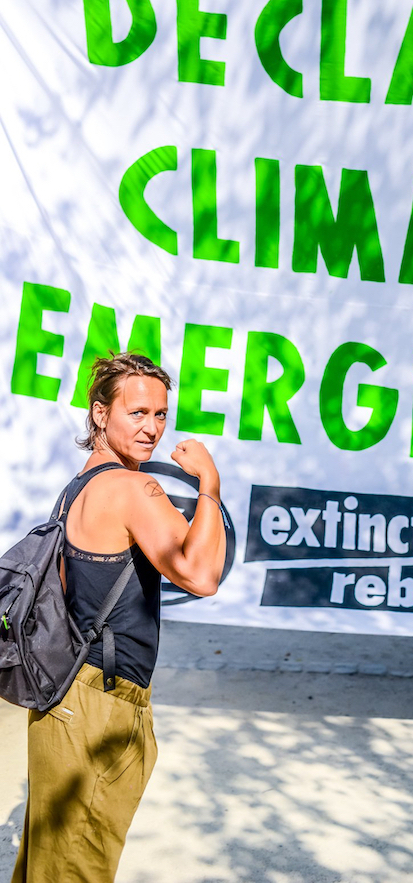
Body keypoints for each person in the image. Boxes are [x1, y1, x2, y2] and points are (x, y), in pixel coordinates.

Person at [12, 351, 226, 883]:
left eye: (160, 413)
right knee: (75, 869)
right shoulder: (131, 489)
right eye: (137, 413)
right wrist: (209, 484)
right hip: (98, 707)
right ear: (100, 413)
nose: (152, 428)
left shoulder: (80, 485)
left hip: (65, 696)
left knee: (47, 865)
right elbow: (201, 575)